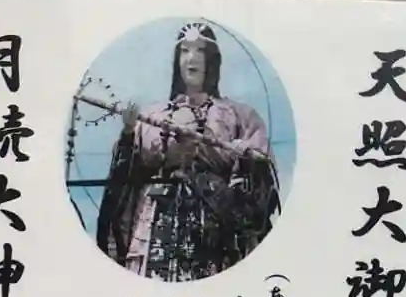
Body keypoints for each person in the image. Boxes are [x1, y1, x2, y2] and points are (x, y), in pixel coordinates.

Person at [94, 22, 281, 281]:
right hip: (155, 222)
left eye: (200, 50)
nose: (192, 58)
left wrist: (244, 155)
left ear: (212, 60)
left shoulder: (239, 115)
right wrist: (127, 134)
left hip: (214, 222)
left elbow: (261, 163)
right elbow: (127, 174)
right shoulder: (152, 115)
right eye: (185, 50)